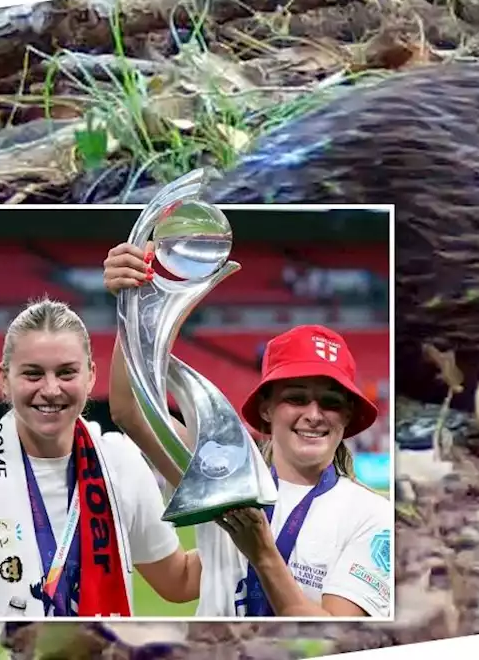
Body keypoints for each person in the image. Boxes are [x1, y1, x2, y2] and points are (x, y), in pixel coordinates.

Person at [103, 242, 393, 618]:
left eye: (331, 403)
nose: (314, 414)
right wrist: (135, 305)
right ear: (267, 408)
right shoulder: (223, 475)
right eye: (297, 398)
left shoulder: (371, 515)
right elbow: (130, 410)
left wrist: (262, 554)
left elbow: (338, 637)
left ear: (349, 417)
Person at [0, 298, 202, 618]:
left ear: (91, 376)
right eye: (33, 374)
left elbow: (180, 580)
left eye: (66, 373)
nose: (51, 389)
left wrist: (254, 536)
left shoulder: (120, 464)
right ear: (3, 379)